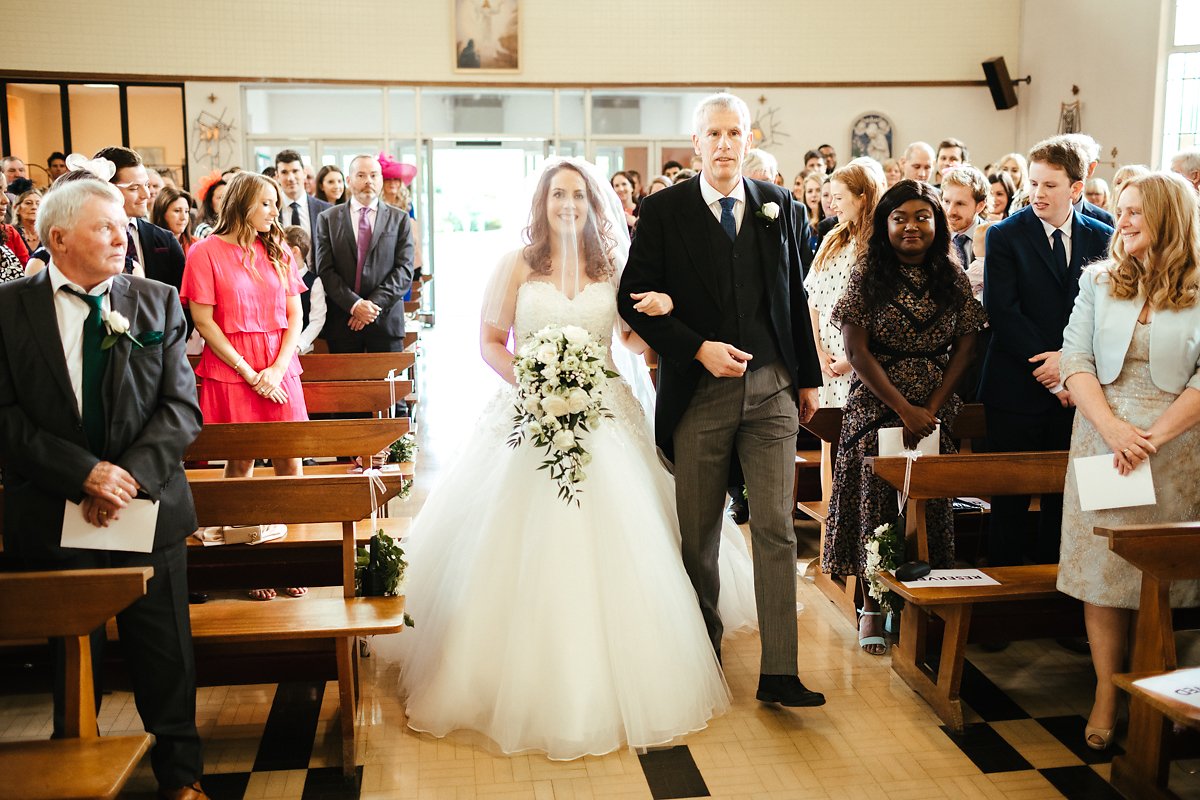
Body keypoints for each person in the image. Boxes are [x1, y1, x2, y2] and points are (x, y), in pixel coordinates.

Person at [394, 157, 758, 759]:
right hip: (529, 410)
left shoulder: (613, 268)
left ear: (593, 206)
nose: (568, 204)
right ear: (541, 203)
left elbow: (634, 339)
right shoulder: (515, 266)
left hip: (605, 407)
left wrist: (666, 312)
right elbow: (489, 344)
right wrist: (531, 381)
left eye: (579, 196)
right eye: (557, 194)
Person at [0, 179, 207, 800]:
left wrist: (126, 477)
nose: (124, 237)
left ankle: (181, 778)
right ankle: (78, 772)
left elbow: (180, 409)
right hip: (50, 503)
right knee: (70, 656)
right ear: (57, 237)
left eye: (123, 225)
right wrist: (81, 473)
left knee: (165, 652)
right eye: (105, 227)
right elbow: (5, 414)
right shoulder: (9, 309)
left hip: (145, 508)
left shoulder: (156, 301)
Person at [619, 93, 826, 708]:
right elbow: (635, 297)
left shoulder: (778, 204)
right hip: (700, 393)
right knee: (698, 533)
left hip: (772, 392)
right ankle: (700, 648)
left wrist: (806, 377)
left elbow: (792, 298)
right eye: (714, 133)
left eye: (735, 132)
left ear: (748, 137)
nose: (725, 143)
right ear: (696, 143)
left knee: (776, 528)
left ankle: (780, 671)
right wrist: (696, 347)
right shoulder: (663, 211)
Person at [1058, 171, 1200, 750]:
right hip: (1101, 439)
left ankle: (1157, 688)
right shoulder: (1098, 281)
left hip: (1175, 447)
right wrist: (1115, 430)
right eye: (1121, 210)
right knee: (1103, 575)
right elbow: (1075, 358)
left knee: (1159, 576)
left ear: (1168, 216)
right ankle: (1106, 693)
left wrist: (1152, 438)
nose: (1124, 221)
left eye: (1137, 211)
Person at [824, 180, 986, 654]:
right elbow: (855, 349)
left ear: (936, 223)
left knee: (930, 498)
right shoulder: (867, 273)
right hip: (878, 400)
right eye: (900, 219)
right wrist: (902, 408)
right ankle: (873, 606)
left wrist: (931, 408)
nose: (911, 227)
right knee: (877, 495)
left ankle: (921, 599)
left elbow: (968, 342)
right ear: (885, 225)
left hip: (935, 402)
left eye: (922, 217)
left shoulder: (951, 277)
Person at [980, 137, 1113, 569]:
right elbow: (1004, 310)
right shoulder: (1005, 235)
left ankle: (1057, 600)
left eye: (1050, 185)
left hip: (1080, 390)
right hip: (1017, 385)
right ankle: (1001, 607)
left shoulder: (1104, 235)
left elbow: (1103, 314)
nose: (1038, 193)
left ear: (1076, 188)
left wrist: (1070, 365)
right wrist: (1052, 368)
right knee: (1010, 500)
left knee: (1067, 499)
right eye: (1033, 182)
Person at [180, 173, 309, 577]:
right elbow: (203, 320)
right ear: (243, 204)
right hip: (232, 368)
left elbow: (295, 315)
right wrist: (249, 372)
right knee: (240, 465)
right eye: (267, 203)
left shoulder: (278, 249)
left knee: (291, 462)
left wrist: (277, 368)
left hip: (280, 366)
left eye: (276, 203)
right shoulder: (204, 252)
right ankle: (249, 560)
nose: (275, 211)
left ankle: (292, 564)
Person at [315, 155, 414, 355]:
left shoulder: (400, 218)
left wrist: (370, 307)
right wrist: (355, 305)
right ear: (349, 181)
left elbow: (404, 270)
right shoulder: (328, 218)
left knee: (390, 387)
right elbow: (325, 269)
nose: (368, 180)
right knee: (346, 386)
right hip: (343, 322)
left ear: (380, 181)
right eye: (361, 175)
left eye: (374, 175)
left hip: (386, 322)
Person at [805, 162, 881, 409]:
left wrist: (852, 359)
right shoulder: (832, 238)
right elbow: (813, 300)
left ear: (862, 198)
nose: (832, 204)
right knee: (825, 431)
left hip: (861, 357)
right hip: (825, 354)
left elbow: (882, 310)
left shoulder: (880, 245)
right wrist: (816, 353)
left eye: (839, 197)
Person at [95, 147, 186, 291]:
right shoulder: (88, 239)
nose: (146, 195)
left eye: (146, 185)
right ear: (105, 188)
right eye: (134, 188)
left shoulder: (165, 240)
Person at [274, 149, 331, 268]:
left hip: (318, 281)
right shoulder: (270, 210)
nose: (290, 178)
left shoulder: (326, 210)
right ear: (277, 176)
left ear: (304, 173)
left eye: (295, 171)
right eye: (284, 172)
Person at [284, 225, 326, 354]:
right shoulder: (276, 278)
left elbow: (317, 319)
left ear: (295, 251)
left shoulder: (314, 282)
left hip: (303, 351)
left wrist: (297, 345)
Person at [941, 166, 988, 269]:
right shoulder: (934, 236)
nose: (950, 211)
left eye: (960, 204)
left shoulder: (992, 238)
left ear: (980, 206)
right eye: (946, 201)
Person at [152, 186, 197, 257]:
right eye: (177, 211)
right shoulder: (148, 244)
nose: (184, 217)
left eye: (186, 211)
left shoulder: (197, 244)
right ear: (162, 213)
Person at [800, 171, 825, 257]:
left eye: (818, 190)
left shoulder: (829, 223)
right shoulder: (802, 222)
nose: (813, 195)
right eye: (809, 191)